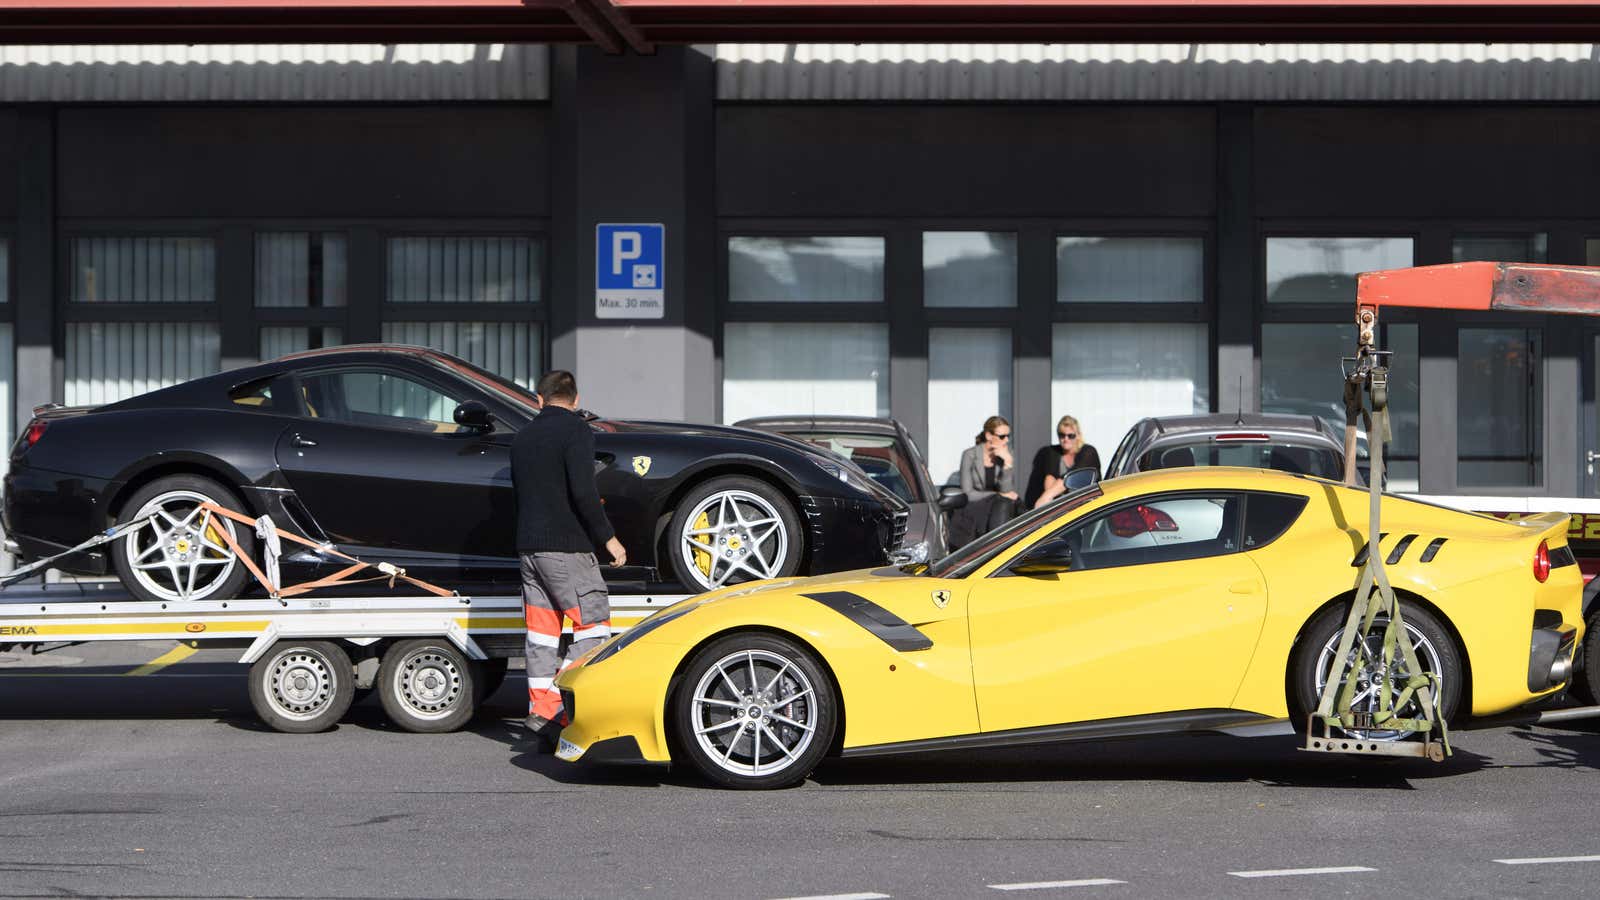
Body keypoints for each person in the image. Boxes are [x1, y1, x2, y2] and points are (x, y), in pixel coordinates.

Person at [511, 369, 626, 750]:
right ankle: (549, 710)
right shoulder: (576, 431)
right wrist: (608, 538)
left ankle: (540, 717)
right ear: (575, 400)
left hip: (529, 549)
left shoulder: (523, 436)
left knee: (541, 639)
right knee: (593, 630)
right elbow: (583, 491)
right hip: (566, 549)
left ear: (539, 400)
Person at [956, 415, 1019, 536]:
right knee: (1003, 503)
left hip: (1000, 508)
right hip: (976, 505)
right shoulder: (969, 455)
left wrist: (1007, 464)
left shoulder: (1007, 454)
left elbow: (1006, 490)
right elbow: (968, 493)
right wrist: (997, 494)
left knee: (1006, 504)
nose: (1007, 440)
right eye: (1002, 436)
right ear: (988, 436)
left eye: (1008, 436)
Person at [1025, 415, 1102, 509]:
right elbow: (1049, 478)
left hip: (1087, 507)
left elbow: (1074, 475)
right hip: (1061, 507)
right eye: (1062, 435)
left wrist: (1045, 497)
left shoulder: (1088, 452)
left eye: (1071, 436)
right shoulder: (1052, 452)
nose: (1066, 439)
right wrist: (1048, 498)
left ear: (1078, 435)